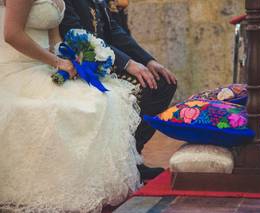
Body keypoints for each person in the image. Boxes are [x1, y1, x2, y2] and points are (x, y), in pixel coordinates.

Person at [0, 0, 144, 211]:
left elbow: (54, 38)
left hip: (44, 64)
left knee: (104, 98)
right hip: (16, 67)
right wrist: (56, 63)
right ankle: (49, 187)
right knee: (74, 107)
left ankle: (85, 185)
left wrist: (72, 58)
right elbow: (12, 34)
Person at [60, 0, 177, 180]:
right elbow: (77, 35)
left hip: (105, 59)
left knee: (163, 83)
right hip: (79, 63)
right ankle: (127, 161)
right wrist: (127, 63)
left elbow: (113, 30)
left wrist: (148, 61)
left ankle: (132, 157)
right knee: (147, 87)